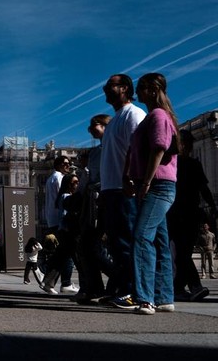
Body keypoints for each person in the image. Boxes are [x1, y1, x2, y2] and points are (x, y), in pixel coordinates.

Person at [117, 72, 179, 315]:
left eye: (141, 87)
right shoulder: (155, 116)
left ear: (153, 90)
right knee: (160, 241)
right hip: (157, 184)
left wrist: (146, 183)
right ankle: (164, 297)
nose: (137, 92)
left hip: (157, 185)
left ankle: (145, 298)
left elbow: (159, 149)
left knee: (141, 237)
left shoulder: (158, 115)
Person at [100, 74, 146, 306]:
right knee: (116, 244)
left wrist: (131, 178)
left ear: (126, 88)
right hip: (110, 189)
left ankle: (133, 292)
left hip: (124, 189)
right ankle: (121, 288)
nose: (106, 89)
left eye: (112, 86)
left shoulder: (134, 114)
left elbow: (138, 150)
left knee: (127, 242)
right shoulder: (114, 120)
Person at [169, 129, 215, 301]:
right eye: (186, 143)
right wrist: (212, 205)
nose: (189, 147)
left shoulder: (189, 164)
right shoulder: (175, 163)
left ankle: (178, 288)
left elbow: (204, 188)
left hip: (186, 212)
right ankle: (194, 286)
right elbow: (204, 188)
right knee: (182, 252)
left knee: (184, 253)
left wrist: (211, 205)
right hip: (178, 212)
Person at [74, 114, 111, 304]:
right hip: (92, 201)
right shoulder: (95, 152)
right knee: (86, 246)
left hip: (108, 197)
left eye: (94, 125)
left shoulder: (116, 146)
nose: (90, 130)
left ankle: (120, 280)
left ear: (106, 126)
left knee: (98, 246)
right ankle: (95, 288)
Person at [44, 156, 70, 233]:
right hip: (59, 218)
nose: (68, 166)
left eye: (69, 163)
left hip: (51, 218)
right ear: (58, 166)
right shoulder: (60, 177)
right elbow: (62, 196)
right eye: (65, 164)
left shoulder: (50, 178)